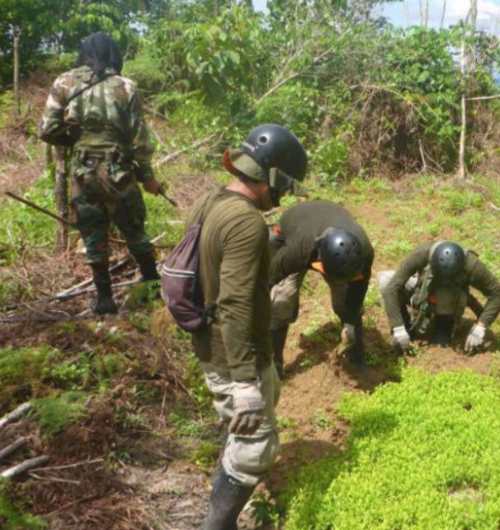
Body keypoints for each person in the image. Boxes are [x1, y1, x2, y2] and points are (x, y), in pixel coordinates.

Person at [185, 124, 306, 530]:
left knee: (240, 432)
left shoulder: (210, 201)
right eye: (285, 184)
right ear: (271, 175)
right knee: (256, 449)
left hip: (211, 341)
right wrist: (244, 382)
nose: (284, 194)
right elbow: (234, 303)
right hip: (235, 354)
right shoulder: (245, 223)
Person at [38, 32, 165, 314]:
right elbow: (139, 139)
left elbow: (47, 130)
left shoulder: (64, 82)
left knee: (92, 234)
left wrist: (78, 140)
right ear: (112, 53)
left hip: (83, 172)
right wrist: (147, 176)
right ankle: (154, 289)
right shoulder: (126, 86)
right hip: (119, 171)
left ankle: (105, 299)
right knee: (134, 229)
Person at [268, 200, 374, 373]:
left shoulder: (363, 252)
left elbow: (359, 288)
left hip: (329, 221)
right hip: (298, 228)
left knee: (345, 302)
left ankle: (355, 355)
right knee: (281, 299)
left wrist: (349, 323)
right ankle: (273, 362)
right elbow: (269, 280)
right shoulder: (297, 249)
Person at [380, 241, 500, 354]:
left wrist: (480, 327)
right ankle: (407, 325)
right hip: (424, 291)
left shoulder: (471, 264)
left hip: (451, 300)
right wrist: (399, 328)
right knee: (386, 281)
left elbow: (498, 294)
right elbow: (392, 289)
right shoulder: (422, 254)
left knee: (444, 292)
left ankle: (443, 325)